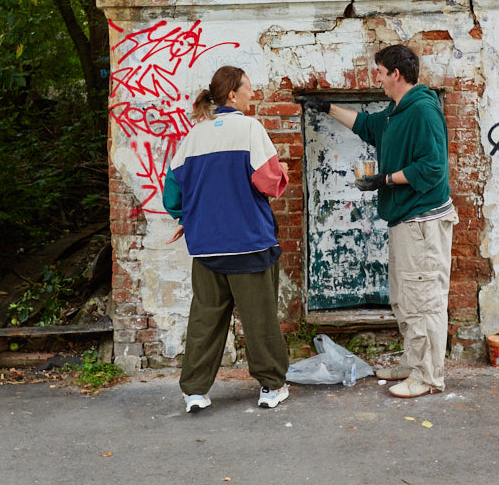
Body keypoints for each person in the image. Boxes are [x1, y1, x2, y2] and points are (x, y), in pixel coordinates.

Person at [304, 44, 456, 398]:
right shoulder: (396, 111)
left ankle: (429, 376)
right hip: (405, 221)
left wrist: (385, 180)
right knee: (405, 299)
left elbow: (433, 169)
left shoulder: (422, 111)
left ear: (395, 74)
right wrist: (326, 107)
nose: (376, 79)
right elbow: (367, 126)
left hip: (423, 223)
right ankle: (414, 362)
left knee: (424, 300)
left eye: (379, 72)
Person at [163, 65, 291, 412]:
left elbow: (172, 193)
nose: (253, 93)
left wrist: (186, 218)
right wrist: (283, 175)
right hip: (248, 242)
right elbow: (268, 182)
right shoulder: (249, 128)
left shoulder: (194, 136)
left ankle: (194, 392)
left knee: (205, 319)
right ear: (233, 94)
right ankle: (270, 387)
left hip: (206, 246)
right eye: (249, 88)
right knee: (259, 318)